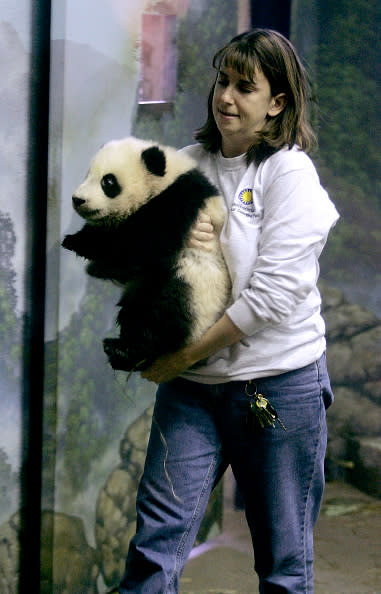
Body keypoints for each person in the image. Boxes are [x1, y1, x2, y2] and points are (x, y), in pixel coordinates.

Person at [118, 28, 339, 593]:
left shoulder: (289, 175)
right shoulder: (185, 166)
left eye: (246, 86)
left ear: (277, 103)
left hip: (276, 387)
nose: (226, 97)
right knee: (153, 548)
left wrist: (176, 360)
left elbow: (270, 297)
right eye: (222, 81)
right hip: (193, 391)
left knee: (284, 564)